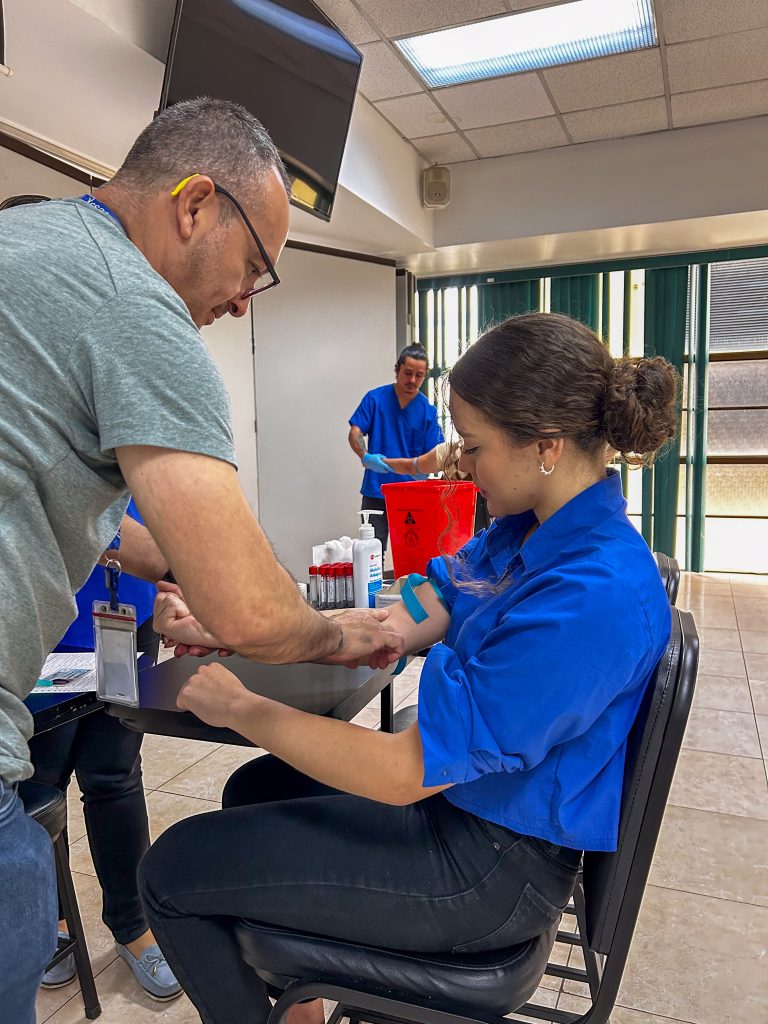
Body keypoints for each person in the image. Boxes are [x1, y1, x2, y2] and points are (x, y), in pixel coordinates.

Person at [138, 311, 678, 1024]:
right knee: (257, 787)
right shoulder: (533, 530)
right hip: (467, 808)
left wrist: (246, 708)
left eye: (475, 447)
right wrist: (318, 627)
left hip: (487, 868)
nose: (460, 463)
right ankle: (301, 999)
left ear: (545, 445)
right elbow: (444, 589)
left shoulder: (592, 594)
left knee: (172, 871)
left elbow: (400, 773)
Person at [0, 97, 401, 1022]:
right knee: (20, 904)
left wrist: (167, 574)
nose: (242, 300)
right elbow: (254, 613)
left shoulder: (33, 249)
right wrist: (333, 633)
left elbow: (91, 515)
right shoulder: (135, 307)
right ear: (193, 205)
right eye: (255, 265)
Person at [30, 499, 182, 1001]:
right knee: (39, 781)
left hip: (127, 604)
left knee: (115, 771)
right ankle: (49, 920)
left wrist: (174, 570)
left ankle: (132, 924)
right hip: (39, 603)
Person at [348, 344, 444, 551]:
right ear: (397, 370)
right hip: (377, 491)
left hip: (412, 494)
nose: (412, 380)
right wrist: (365, 456)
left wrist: (423, 469)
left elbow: (436, 453)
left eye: (419, 375)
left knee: (413, 551)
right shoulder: (375, 399)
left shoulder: (428, 411)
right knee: (372, 553)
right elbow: (355, 432)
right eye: (408, 373)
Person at [383, 440, 491, 533]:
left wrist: (382, 462)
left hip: (452, 528)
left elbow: (410, 467)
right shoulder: (493, 453)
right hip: (483, 530)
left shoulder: (449, 451)